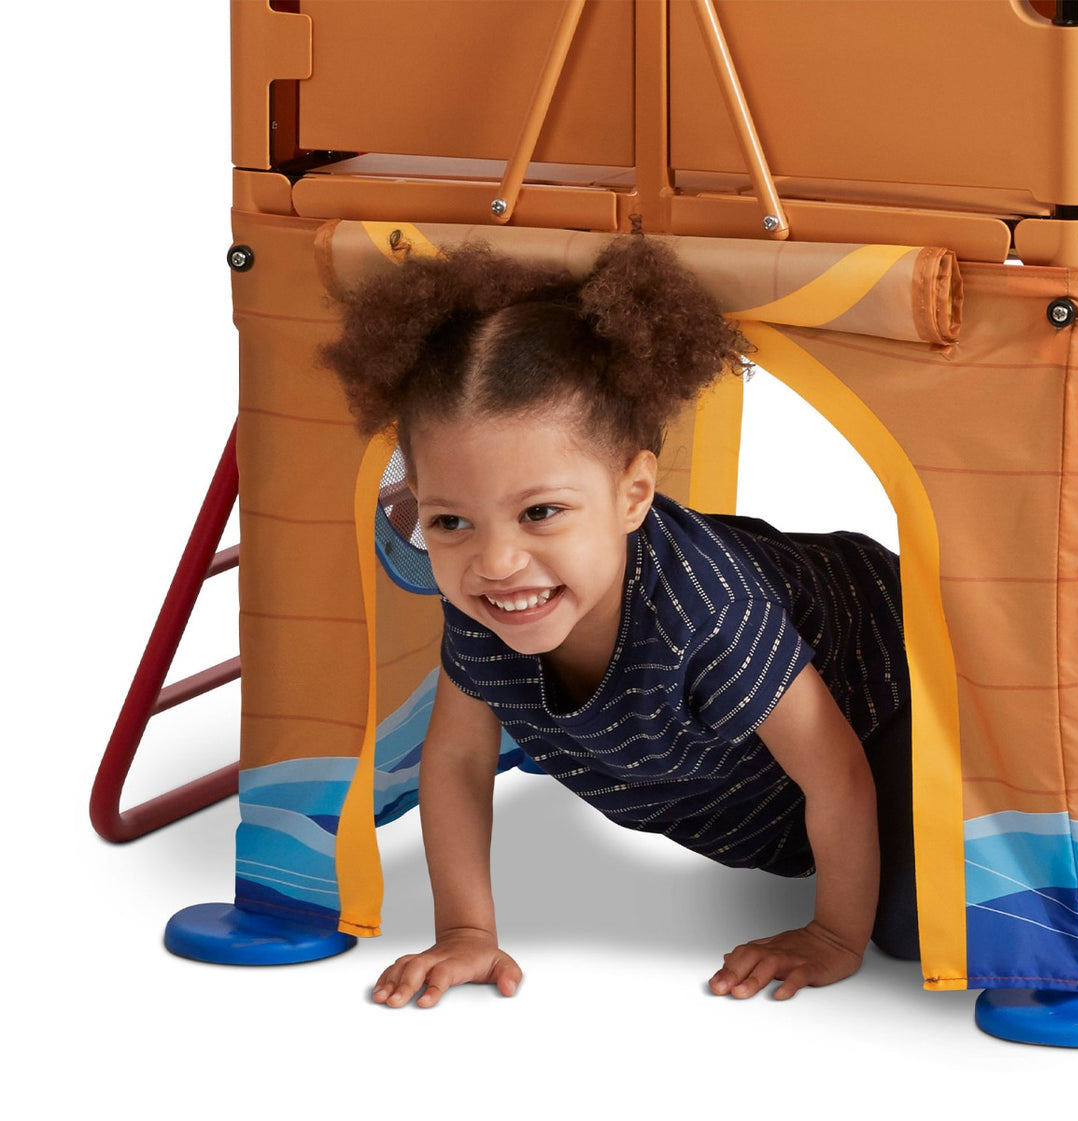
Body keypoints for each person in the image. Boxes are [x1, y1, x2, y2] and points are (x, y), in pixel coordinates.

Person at [321, 234, 917, 1010]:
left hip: (899, 692)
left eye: (541, 511)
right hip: (767, 799)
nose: (495, 561)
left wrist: (835, 932)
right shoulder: (485, 604)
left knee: (916, 924)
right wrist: (466, 929)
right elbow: (458, 758)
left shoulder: (708, 615)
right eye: (450, 521)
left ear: (633, 494)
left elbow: (835, 773)